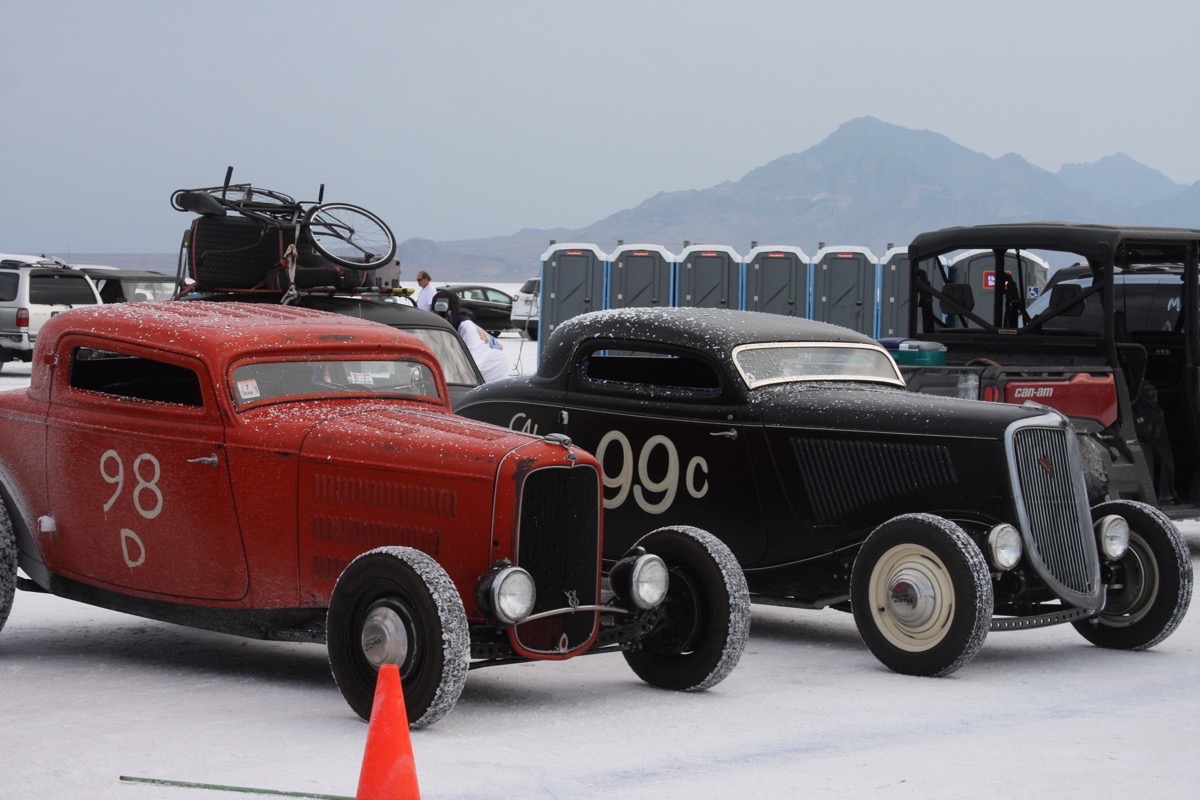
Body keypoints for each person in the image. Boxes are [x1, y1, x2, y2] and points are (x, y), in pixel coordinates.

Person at [430, 290, 509, 382]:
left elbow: (469, 370)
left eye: (435, 314)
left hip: (492, 376)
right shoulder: (458, 325)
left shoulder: (467, 329)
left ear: (449, 313)